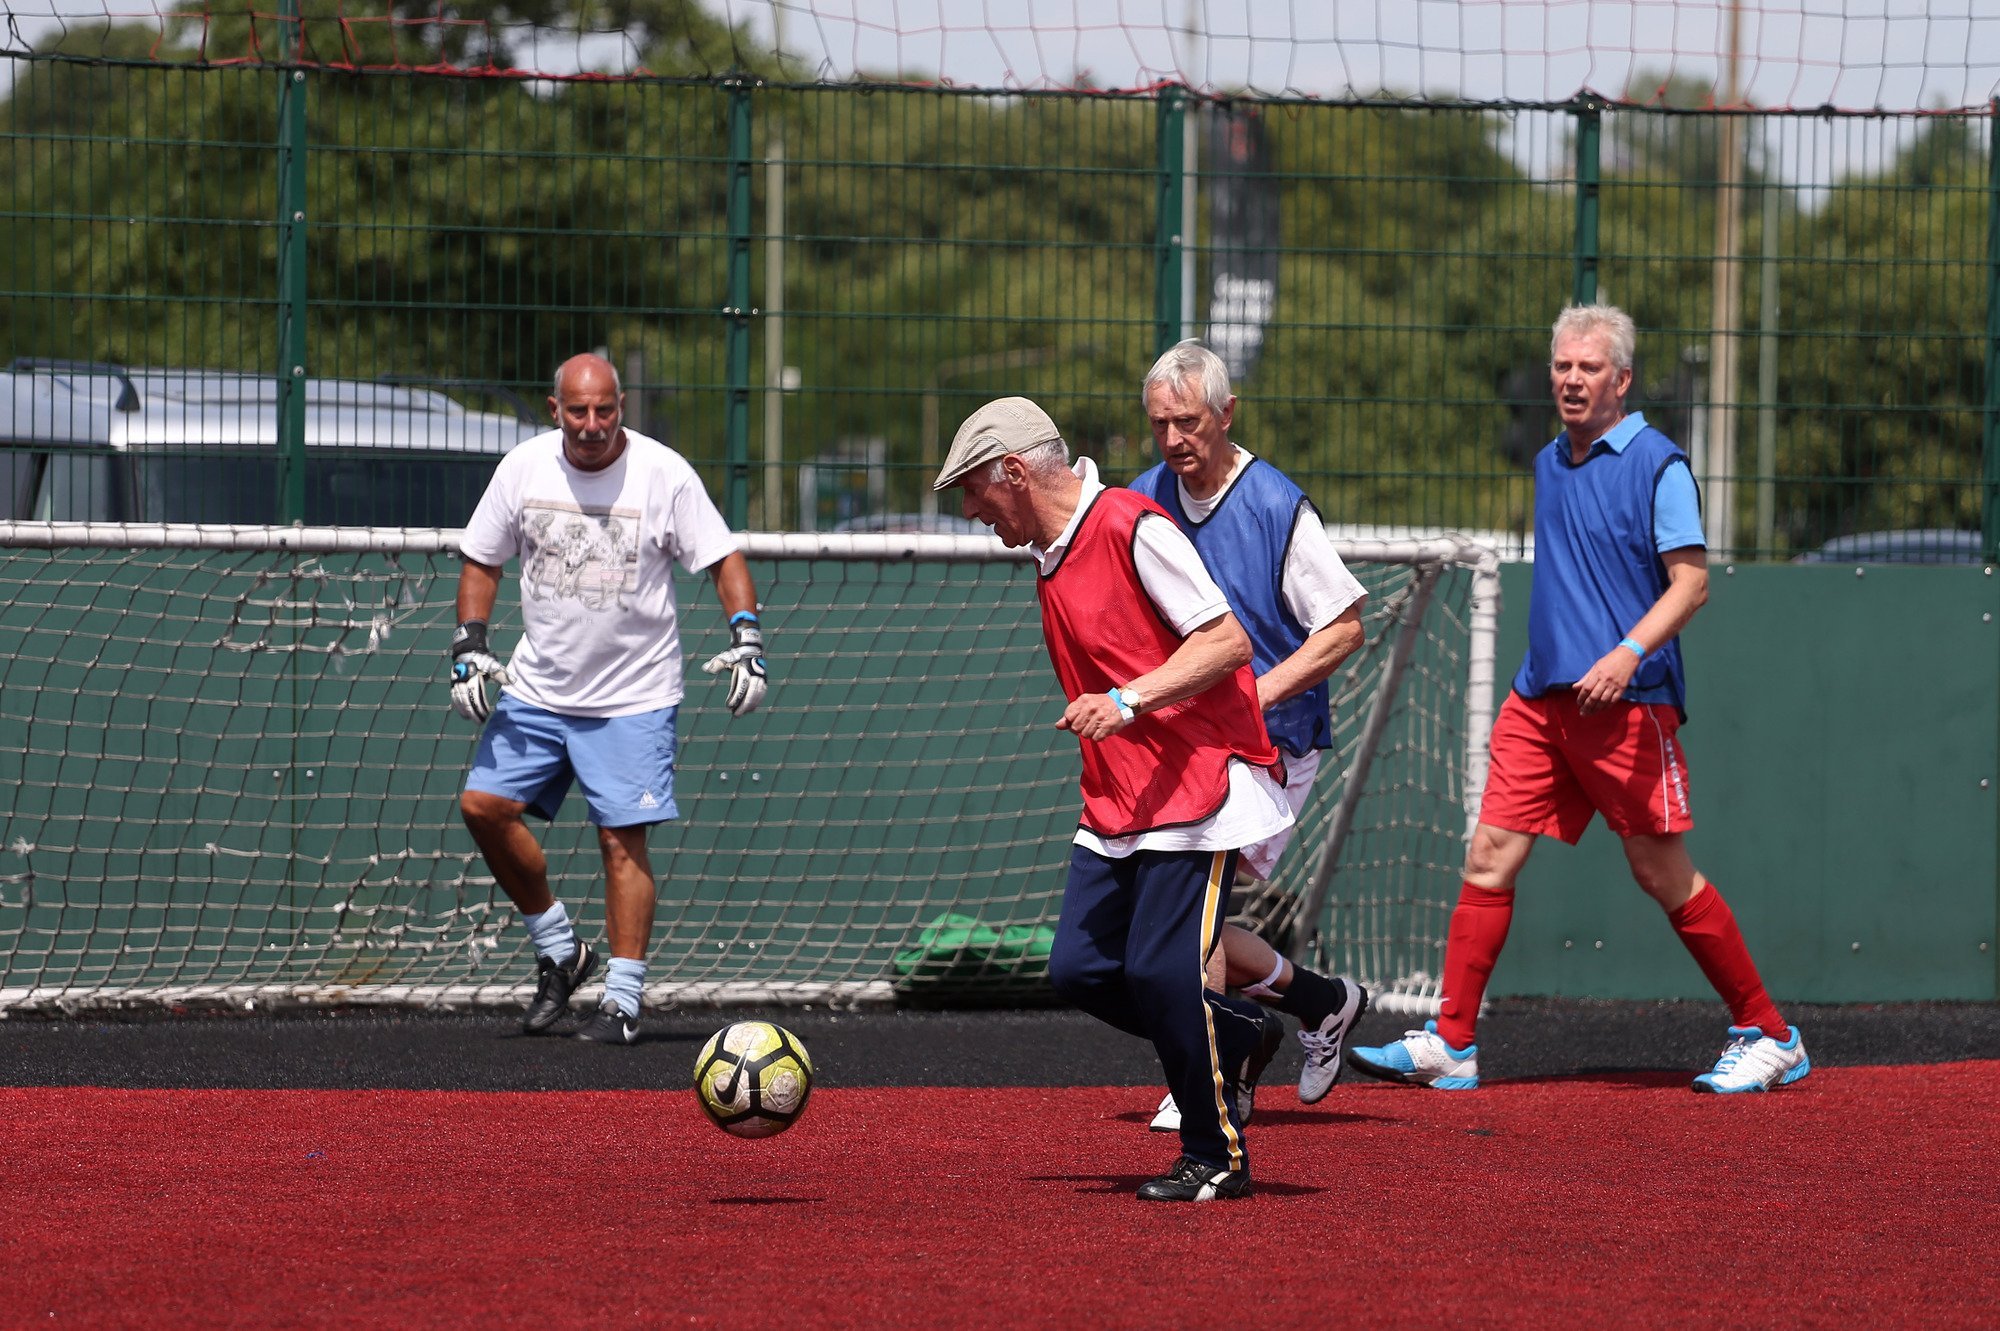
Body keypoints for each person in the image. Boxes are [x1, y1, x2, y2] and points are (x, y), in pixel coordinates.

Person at [1347, 304, 1810, 1094]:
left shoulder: (1659, 465)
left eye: (1588, 367)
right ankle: (1452, 1042)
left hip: (1629, 705)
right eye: (1562, 365)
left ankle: (1770, 1032)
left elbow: (1691, 583)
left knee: (1660, 873)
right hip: (1541, 700)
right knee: (1489, 856)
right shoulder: (1548, 462)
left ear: (1621, 380)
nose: (1569, 378)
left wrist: (1628, 654)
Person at [935, 394, 1291, 1202]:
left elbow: (1228, 641)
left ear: (1017, 473)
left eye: (975, 489)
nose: (969, 509)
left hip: (1196, 785)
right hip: (1122, 796)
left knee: (1163, 973)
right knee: (1082, 969)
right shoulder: (1050, 546)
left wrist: (1127, 700)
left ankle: (1215, 1155)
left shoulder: (1134, 526)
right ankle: (1234, 1030)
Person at [448, 352, 769, 1045]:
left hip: (634, 694)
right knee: (483, 806)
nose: (593, 425)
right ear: (553, 408)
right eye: (578, 411)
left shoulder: (664, 472)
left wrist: (747, 637)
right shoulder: (523, 468)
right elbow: (482, 558)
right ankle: (561, 947)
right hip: (539, 688)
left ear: (620, 405)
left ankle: (622, 999)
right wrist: (469, 644)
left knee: (620, 841)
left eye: (606, 410)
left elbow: (723, 558)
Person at [1130, 340, 1372, 1134]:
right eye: (1160, 423)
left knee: (1189, 909)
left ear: (1227, 414)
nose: (1173, 439)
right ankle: (1320, 1001)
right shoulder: (1144, 499)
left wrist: (1254, 694)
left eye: (1188, 421)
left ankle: (1208, 1076)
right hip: (1184, 742)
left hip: (1271, 745)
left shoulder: (1274, 506)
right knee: (1168, 918)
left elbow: (1343, 628)